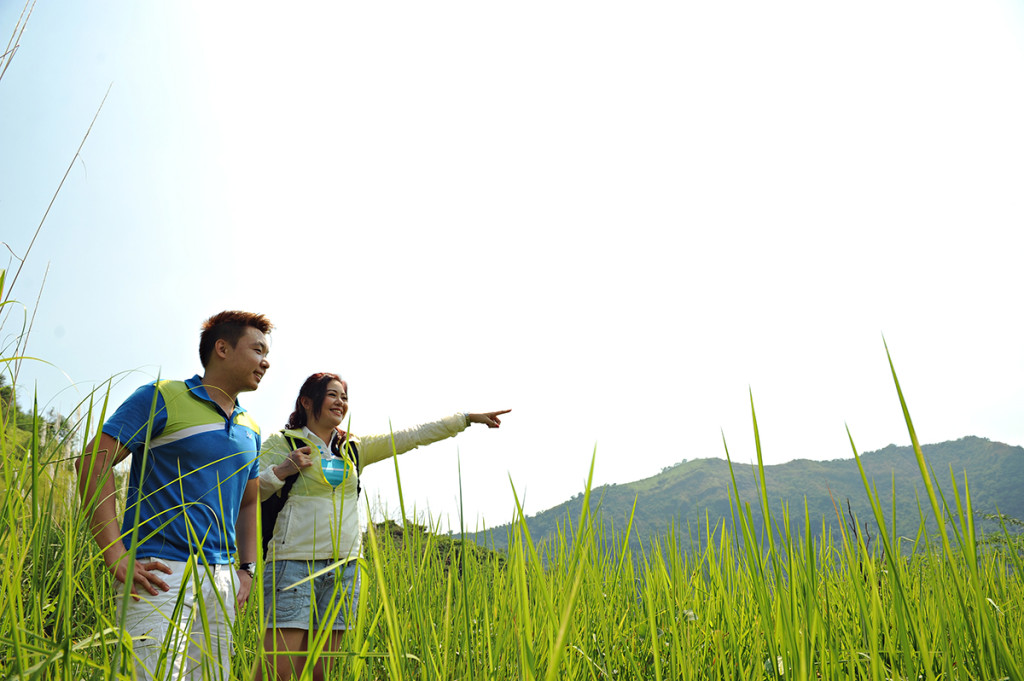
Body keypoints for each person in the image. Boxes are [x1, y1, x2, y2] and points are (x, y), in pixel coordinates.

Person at [255, 372, 509, 681]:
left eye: (344, 397)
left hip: (344, 568)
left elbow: (411, 436)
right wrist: (283, 469)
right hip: (292, 565)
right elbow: (250, 492)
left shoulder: (353, 448)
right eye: (333, 395)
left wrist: (466, 418)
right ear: (307, 401)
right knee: (277, 672)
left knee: (322, 673)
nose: (341, 402)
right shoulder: (282, 442)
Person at [76, 310, 273, 681]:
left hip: (223, 579)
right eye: (258, 349)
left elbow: (249, 502)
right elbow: (92, 462)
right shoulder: (164, 395)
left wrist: (246, 570)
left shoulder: (252, 427)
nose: (267, 361)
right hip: (159, 571)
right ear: (222, 349)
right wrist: (114, 551)